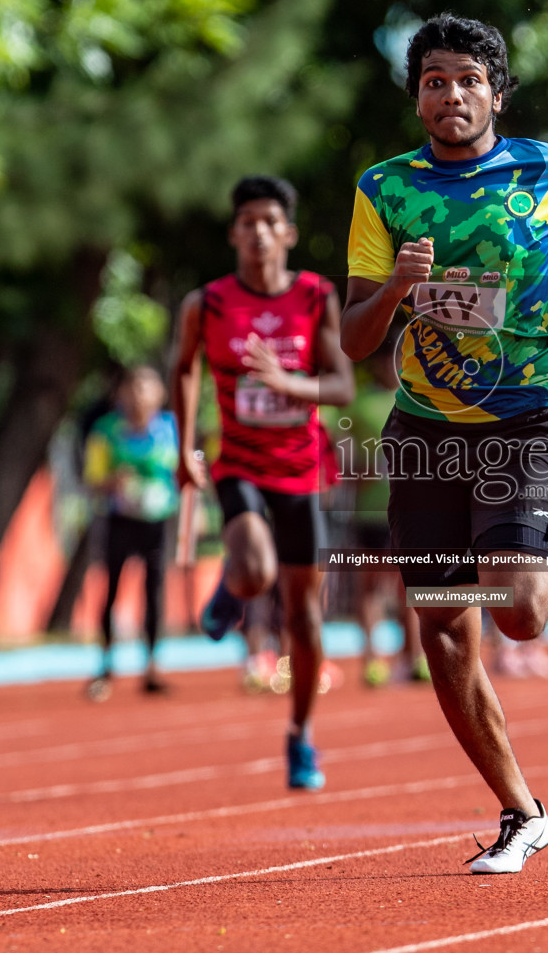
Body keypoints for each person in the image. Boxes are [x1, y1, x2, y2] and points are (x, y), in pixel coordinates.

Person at [340, 14, 548, 873]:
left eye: (467, 80)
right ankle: (521, 811)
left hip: (525, 421)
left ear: (497, 92)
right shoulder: (384, 188)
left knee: (519, 612)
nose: (451, 95)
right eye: (434, 81)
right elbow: (351, 338)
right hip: (425, 429)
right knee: (443, 628)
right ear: (417, 97)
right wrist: (397, 290)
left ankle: (527, 574)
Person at [171, 176, 354, 790]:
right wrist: (185, 449)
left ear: (289, 233)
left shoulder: (315, 296)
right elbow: (183, 368)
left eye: (269, 221)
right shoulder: (209, 303)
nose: (257, 232)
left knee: (304, 619)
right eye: (246, 221)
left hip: (302, 469)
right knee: (255, 572)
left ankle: (301, 736)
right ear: (233, 233)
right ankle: (236, 583)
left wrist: (286, 383)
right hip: (240, 462)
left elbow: (341, 387)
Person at [331, 344, 426, 687]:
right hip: (371, 511)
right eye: (387, 360)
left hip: (413, 512)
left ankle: (413, 658)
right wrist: (355, 472)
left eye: (398, 360)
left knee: (411, 587)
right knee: (370, 586)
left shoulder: (420, 401)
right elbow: (339, 450)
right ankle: (372, 660)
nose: (393, 366)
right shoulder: (359, 405)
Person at [83, 365, 180, 700]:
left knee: (154, 591)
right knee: (111, 589)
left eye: (146, 387)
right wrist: (113, 481)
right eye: (132, 387)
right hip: (119, 519)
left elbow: (191, 464)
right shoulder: (106, 431)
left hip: (157, 521)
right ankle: (106, 663)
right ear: (120, 394)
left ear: (160, 394)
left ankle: (152, 664)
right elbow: (92, 478)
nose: (139, 394)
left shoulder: (171, 429)